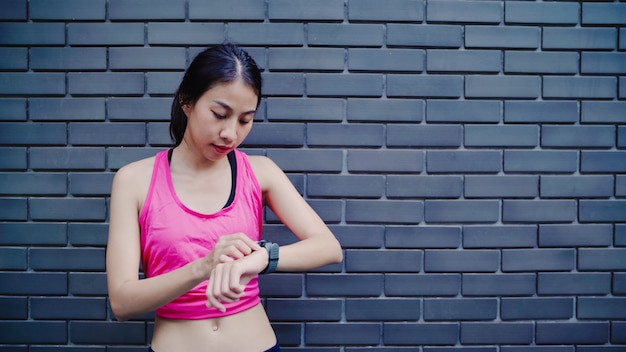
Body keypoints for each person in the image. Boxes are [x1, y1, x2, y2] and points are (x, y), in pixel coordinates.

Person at [106, 43, 344, 352]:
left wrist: (262, 258)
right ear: (186, 102)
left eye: (245, 120)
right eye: (220, 114)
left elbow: (329, 248)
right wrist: (203, 267)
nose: (231, 133)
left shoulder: (260, 172)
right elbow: (122, 303)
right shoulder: (134, 180)